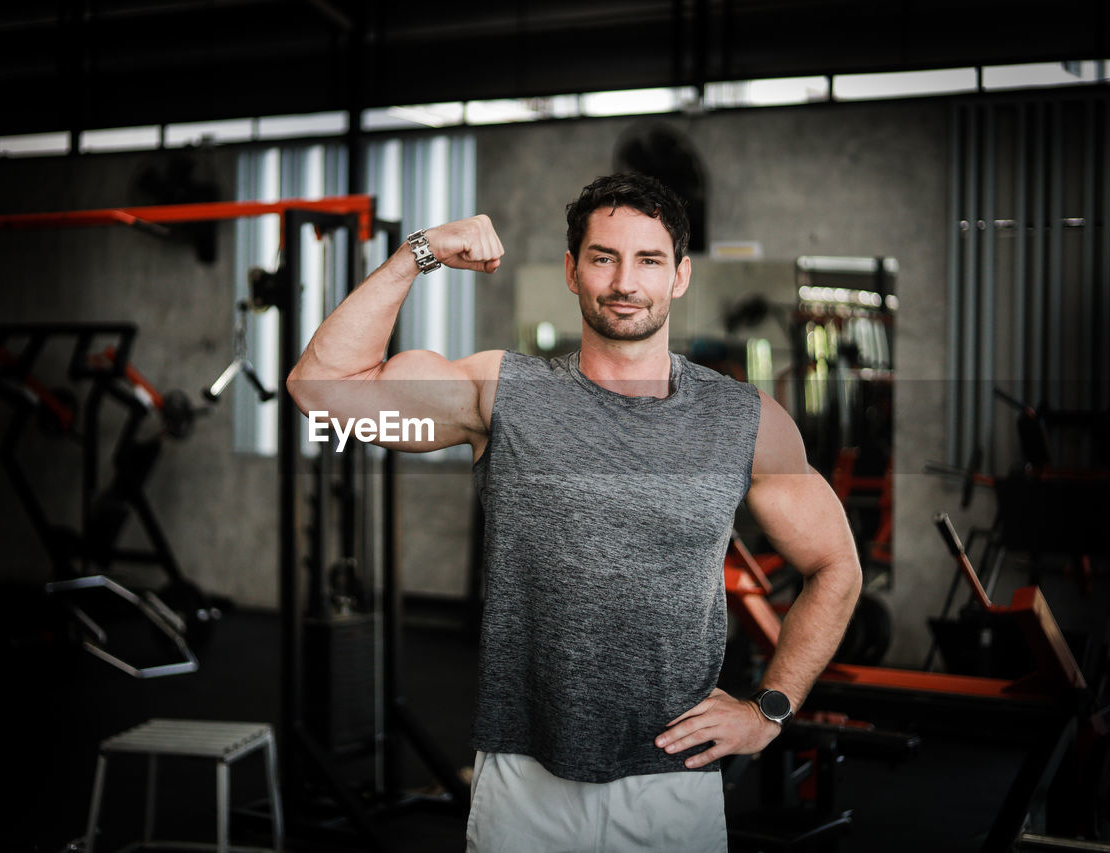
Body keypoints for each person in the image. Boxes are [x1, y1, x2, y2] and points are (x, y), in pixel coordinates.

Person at [288, 173, 863, 852]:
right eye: (602, 257)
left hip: (671, 783)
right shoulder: (504, 393)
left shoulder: (744, 420)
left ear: (679, 276)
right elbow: (321, 390)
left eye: (648, 259)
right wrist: (419, 251)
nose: (625, 280)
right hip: (524, 781)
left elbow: (836, 566)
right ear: (571, 270)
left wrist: (769, 709)